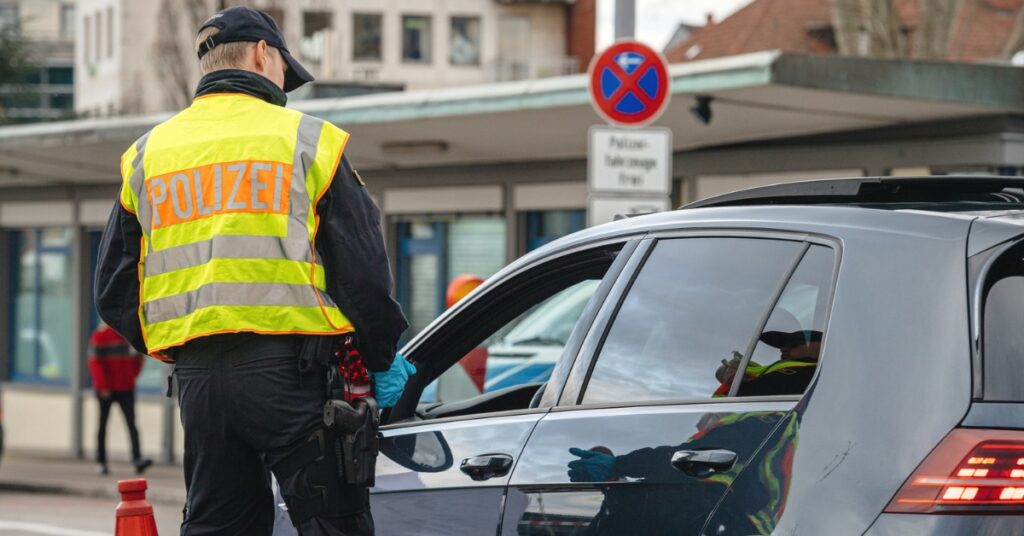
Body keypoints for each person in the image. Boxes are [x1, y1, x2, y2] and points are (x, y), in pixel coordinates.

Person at [94, 6, 409, 535]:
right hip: (293, 379)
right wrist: (382, 357)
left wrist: (182, 341)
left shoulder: (147, 155)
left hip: (198, 383)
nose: (286, 81)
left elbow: (113, 289)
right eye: (285, 67)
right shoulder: (311, 141)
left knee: (219, 526)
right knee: (334, 524)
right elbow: (362, 271)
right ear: (264, 54)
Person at [86, 322, 151, 476]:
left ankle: (137, 459)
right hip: (106, 390)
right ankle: (101, 462)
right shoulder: (101, 335)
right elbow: (95, 362)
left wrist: (131, 377)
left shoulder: (129, 337)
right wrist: (103, 386)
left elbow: (138, 359)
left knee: (132, 424)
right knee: (103, 425)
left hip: (126, 387)